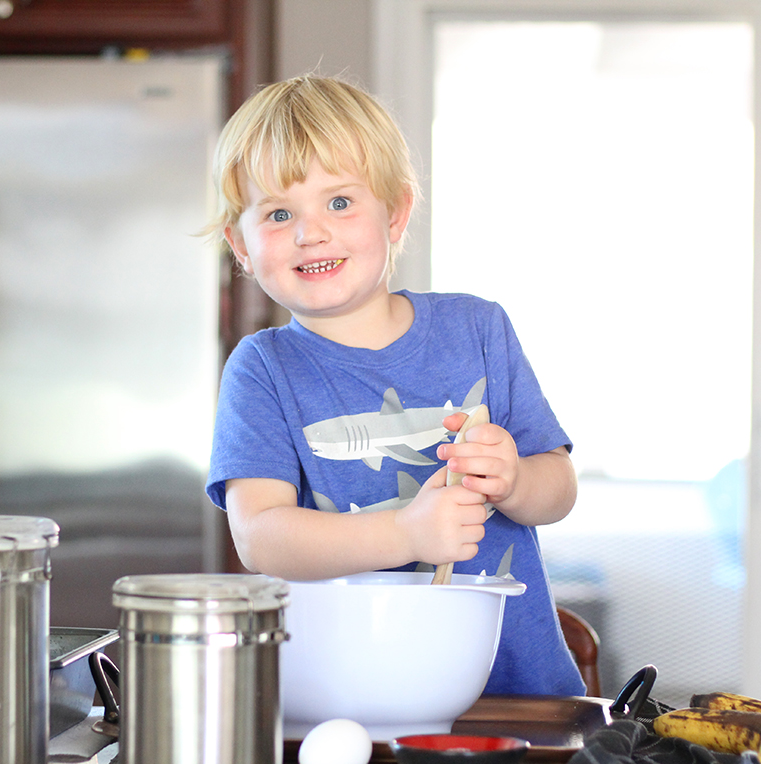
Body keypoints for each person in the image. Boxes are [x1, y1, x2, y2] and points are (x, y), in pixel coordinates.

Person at [204, 74, 585, 697]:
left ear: (396, 212)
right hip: (354, 696)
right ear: (239, 246)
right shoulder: (262, 369)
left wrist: (515, 480)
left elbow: (559, 489)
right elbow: (260, 537)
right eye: (278, 213)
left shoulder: (478, 328)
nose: (311, 232)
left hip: (518, 696)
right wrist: (406, 534)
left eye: (340, 202)